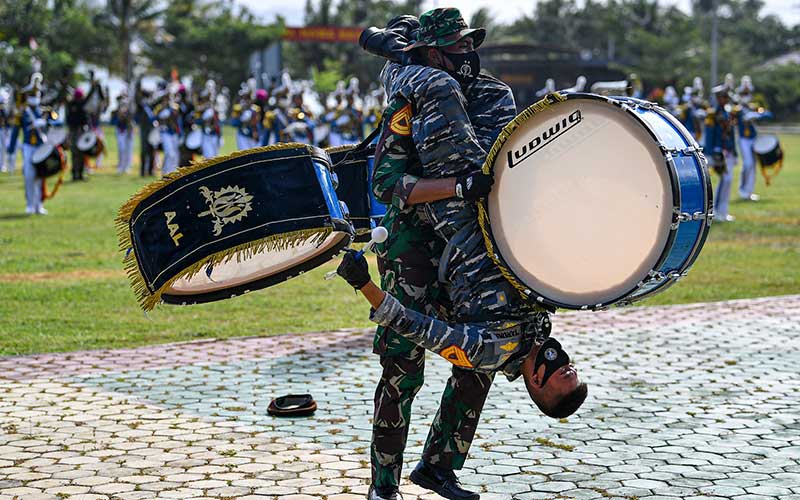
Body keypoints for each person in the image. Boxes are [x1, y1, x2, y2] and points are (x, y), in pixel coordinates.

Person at [360, 10, 582, 500]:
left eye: (470, 46)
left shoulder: (486, 93)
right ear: (434, 53)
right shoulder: (420, 93)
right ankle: (383, 486)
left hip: (468, 239)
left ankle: (437, 468)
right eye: (457, 48)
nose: (469, 57)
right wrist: (457, 186)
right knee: (403, 367)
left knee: (477, 368)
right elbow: (385, 184)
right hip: (415, 240)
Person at [705, 84, 737, 223]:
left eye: (726, 97)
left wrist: (734, 151)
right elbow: (709, 134)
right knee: (725, 180)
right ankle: (716, 211)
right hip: (718, 151)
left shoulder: (727, 112)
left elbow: (731, 134)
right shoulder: (712, 114)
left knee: (727, 181)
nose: (725, 99)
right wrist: (712, 152)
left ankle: (723, 211)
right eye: (723, 97)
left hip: (727, 150)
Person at [19, 76, 50, 215]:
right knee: (29, 176)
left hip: (40, 146)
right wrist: (12, 148)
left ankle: (39, 204)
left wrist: (46, 123)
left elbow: (55, 123)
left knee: (40, 175)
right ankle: (30, 204)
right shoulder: (24, 112)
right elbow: (16, 129)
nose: (35, 96)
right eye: (33, 94)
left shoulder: (43, 111)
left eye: (36, 93)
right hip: (28, 147)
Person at [66, 87, 91, 181]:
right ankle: (78, 174)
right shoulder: (81, 105)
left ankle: (76, 174)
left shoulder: (70, 105)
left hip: (74, 131)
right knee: (79, 153)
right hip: (79, 131)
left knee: (76, 154)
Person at [134, 86, 157, 177]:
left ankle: (149, 171)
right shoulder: (142, 104)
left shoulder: (149, 104)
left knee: (150, 150)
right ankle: (144, 171)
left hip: (149, 129)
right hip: (145, 129)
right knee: (145, 150)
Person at [112, 93, 134, 174]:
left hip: (129, 130)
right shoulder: (116, 111)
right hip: (121, 130)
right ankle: (121, 166)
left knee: (129, 149)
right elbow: (115, 121)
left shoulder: (130, 110)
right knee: (121, 149)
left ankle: (127, 166)